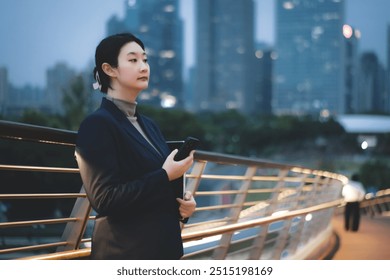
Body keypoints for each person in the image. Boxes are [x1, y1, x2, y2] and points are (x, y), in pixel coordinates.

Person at [74, 33, 196, 259]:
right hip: (125, 253)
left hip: (163, 251)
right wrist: (164, 175)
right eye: (133, 60)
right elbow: (104, 199)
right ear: (109, 69)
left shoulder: (150, 125)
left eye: (145, 60)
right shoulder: (97, 125)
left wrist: (183, 208)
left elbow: (153, 188)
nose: (144, 67)